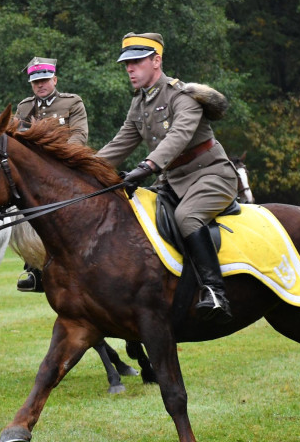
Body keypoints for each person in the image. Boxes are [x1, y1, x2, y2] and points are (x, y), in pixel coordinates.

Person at [96, 32, 238, 322]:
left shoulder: (183, 95)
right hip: (172, 182)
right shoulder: (139, 104)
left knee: (187, 217)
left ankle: (215, 292)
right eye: (127, 63)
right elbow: (119, 143)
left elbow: (179, 136)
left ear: (156, 61)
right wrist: (81, 168)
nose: (129, 69)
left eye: (136, 62)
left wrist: (147, 166)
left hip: (211, 176)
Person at [14, 57, 89, 292]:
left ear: (54, 80)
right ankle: (35, 269)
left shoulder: (72, 103)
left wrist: (61, 158)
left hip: (67, 167)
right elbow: (17, 140)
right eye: (36, 82)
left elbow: (79, 135)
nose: (40, 85)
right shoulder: (24, 108)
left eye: (45, 80)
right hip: (36, 175)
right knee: (25, 211)